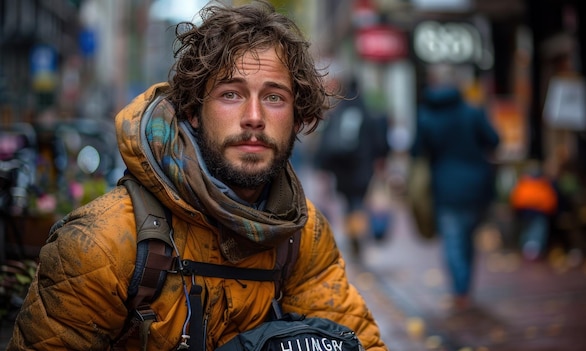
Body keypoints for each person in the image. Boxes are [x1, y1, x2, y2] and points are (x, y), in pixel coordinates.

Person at [6, 2, 387, 350]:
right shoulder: (103, 244)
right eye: (231, 94)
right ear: (192, 111)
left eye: (274, 97)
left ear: (298, 115)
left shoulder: (303, 233)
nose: (254, 116)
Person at [410, 64, 500, 311]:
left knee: (453, 238)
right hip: (477, 186)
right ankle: (465, 287)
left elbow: (416, 151)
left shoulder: (426, 116)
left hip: (445, 185)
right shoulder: (473, 112)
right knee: (467, 237)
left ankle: (461, 291)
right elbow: (494, 139)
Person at [313, 76, 390, 259]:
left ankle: (352, 235)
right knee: (358, 202)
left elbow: (326, 143)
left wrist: (323, 167)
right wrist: (381, 161)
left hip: (342, 169)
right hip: (363, 168)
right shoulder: (367, 112)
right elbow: (380, 142)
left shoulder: (338, 112)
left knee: (348, 204)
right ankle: (357, 236)